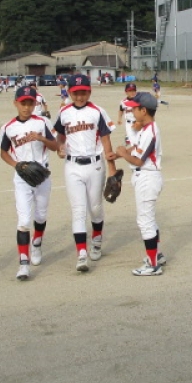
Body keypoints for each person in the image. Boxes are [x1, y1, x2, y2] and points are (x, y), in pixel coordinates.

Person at [53, 74, 118, 272]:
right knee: (78, 210)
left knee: (95, 208)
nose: (79, 96)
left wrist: (112, 169)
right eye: (76, 93)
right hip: (72, 166)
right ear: (69, 92)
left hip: (95, 165)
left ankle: (96, 241)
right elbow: (60, 136)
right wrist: (59, 147)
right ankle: (81, 253)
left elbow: (106, 140)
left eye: (83, 92)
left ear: (89, 92)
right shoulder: (64, 112)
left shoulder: (97, 111)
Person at [0, 85, 59, 281]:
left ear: (35, 104)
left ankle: (37, 243)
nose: (26, 107)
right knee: (24, 221)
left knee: (40, 215)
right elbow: (3, 152)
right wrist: (16, 165)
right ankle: (24, 263)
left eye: (30, 103)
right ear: (16, 103)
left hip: (42, 174)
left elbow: (56, 146)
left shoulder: (42, 122)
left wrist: (41, 138)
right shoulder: (8, 127)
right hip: (22, 177)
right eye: (23, 103)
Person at [109, 92, 167, 276]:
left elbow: (138, 160)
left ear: (144, 110)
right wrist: (119, 154)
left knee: (145, 221)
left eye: (134, 108)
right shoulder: (146, 128)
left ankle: (153, 265)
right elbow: (136, 148)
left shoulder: (150, 131)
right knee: (149, 219)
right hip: (146, 177)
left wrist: (123, 154)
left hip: (147, 177)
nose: (131, 111)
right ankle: (156, 255)